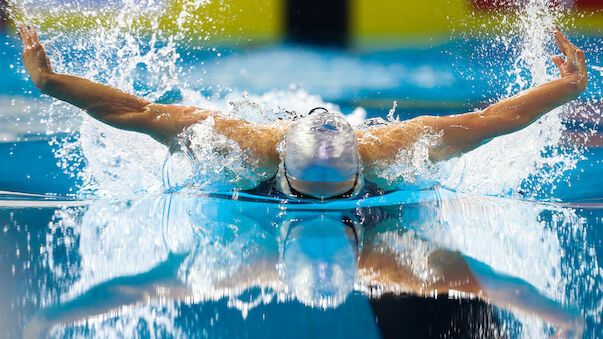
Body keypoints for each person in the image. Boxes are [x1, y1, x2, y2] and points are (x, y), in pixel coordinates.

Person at [17, 24, 588, 199]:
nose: (314, 113)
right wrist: (566, 89)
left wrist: (50, 83)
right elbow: (499, 120)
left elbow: (134, 110)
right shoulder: (394, 148)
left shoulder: (239, 148)